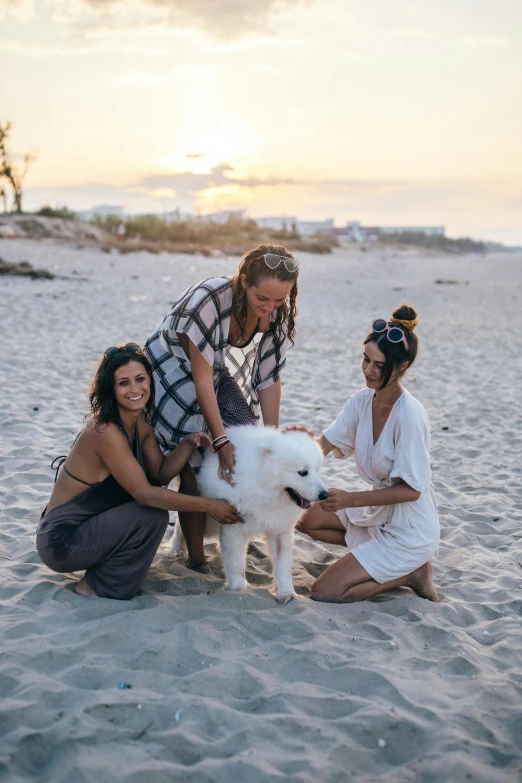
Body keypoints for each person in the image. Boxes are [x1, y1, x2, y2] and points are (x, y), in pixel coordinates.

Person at [36, 343, 242, 600]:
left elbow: (161, 474)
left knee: (152, 512)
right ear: (110, 389)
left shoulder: (140, 421)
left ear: (150, 381)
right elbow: (145, 494)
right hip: (61, 540)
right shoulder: (104, 431)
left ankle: (106, 573)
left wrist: (187, 444)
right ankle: (96, 585)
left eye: (140, 379)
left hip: (89, 529)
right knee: (151, 514)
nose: (135, 389)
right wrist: (209, 505)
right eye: (124, 383)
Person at [145, 244, 299, 568]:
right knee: (191, 452)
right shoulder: (211, 298)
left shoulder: (277, 314)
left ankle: (226, 530)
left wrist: (272, 439)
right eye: (262, 299)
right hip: (172, 369)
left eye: (278, 300)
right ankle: (195, 557)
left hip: (215, 373)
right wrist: (220, 438)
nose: (269, 308)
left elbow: (268, 379)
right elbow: (200, 381)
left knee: (246, 436)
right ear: (244, 282)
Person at [294, 305, 440, 603]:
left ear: (401, 367)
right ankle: (370, 556)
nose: (369, 371)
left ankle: (412, 573)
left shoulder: (410, 415)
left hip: (408, 527)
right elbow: (325, 444)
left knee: (325, 591)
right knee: (306, 518)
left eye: (379, 366)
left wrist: (350, 499)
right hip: (376, 512)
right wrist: (296, 450)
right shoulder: (361, 401)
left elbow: (412, 491)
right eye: (366, 359)